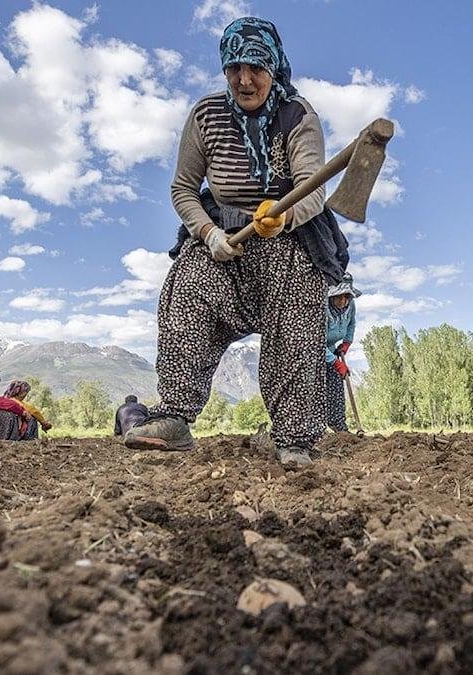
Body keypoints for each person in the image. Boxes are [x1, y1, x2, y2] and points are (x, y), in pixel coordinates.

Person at [124, 16, 349, 469]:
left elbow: (312, 192)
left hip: (288, 240)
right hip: (223, 241)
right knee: (186, 287)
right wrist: (208, 234)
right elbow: (183, 188)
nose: (245, 80)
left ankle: (294, 437)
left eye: (256, 68)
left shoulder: (299, 116)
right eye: (234, 68)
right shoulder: (205, 115)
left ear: (273, 67)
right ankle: (175, 416)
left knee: (296, 318)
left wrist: (281, 216)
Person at [324, 274, 359, 431]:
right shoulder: (322, 308)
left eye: (347, 297)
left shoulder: (350, 306)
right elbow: (316, 340)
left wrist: (346, 343)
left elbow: (351, 324)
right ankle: (316, 428)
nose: (343, 301)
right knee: (316, 388)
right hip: (312, 350)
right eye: (339, 296)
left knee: (336, 385)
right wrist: (335, 362)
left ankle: (339, 427)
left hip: (330, 348)